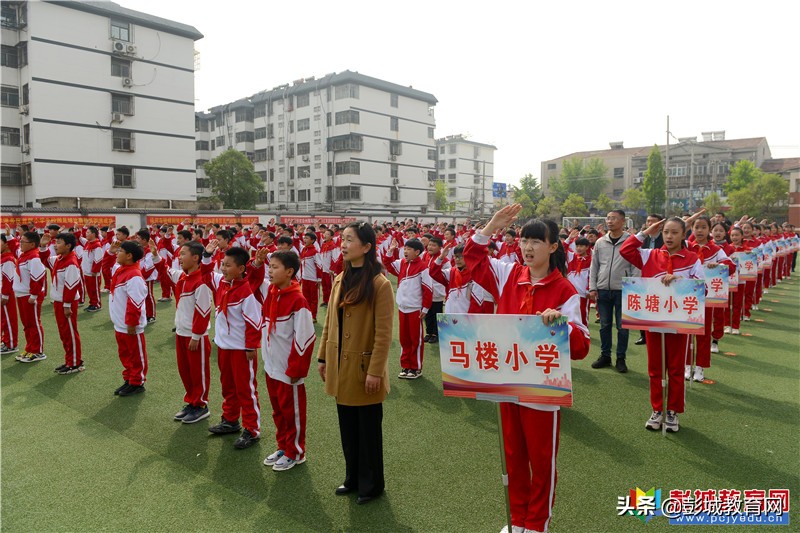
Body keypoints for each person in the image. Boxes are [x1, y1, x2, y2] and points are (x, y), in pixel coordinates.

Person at [463, 205, 590, 533]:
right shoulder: (507, 274)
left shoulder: (565, 291)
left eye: (537, 241)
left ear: (553, 246)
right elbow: (473, 257)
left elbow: (581, 346)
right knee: (513, 454)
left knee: (541, 459)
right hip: (507, 380)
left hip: (542, 389)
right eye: (524, 241)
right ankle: (517, 518)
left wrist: (560, 323)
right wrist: (492, 225)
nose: (529, 247)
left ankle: (537, 523)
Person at [317, 221, 394, 505]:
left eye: (350, 240)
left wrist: (376, 371)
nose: (344, 244)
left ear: (367, 247)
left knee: (368, 431)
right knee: (347, 427)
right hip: (341, 366)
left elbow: (384, 334)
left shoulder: (379, 283)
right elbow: (329, 323)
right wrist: (323, 356)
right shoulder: (340, 278)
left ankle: (371, 484)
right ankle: (352, 477)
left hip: (364, 369)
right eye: (343, 239)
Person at [620, 217, 702, 432]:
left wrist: (679, 282)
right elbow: (626, 250)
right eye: (666, 232)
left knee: (675, 369)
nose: (669, 236)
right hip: (653, 321)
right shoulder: (649, 255)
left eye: (675, 232)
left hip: (679, 322)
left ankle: (673, 411)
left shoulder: (692, 259)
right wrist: (645, 232)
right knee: (655, 369)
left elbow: (702, 290)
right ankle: (657, 409)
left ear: (684, 235)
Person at [203, 247, 264, 450]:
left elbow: (254, 323)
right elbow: (205, 274)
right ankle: (230, 420)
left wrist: (250, 348)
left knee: (246, 389)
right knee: (228, 386)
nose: (224, 268)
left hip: (241, 350)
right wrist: (206, 255)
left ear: (241, 268)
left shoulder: (246, 291)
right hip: (224, 346)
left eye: (228, 265)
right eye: (223, 264)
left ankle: (252, 429)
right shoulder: (222, 283)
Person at [261, 251, 316, 471]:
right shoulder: (272, 293)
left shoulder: (298, 300)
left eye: (275, 267)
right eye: (270, 266)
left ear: (290, 272)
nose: (270, 270)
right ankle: (283, 446)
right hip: (271, 366)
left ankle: (296, 452)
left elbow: (305, 338)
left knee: (292, 412)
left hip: (287, 368)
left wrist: (296, 368)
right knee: (277, 410)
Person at [151, 240, 214, 424]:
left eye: (183, 254)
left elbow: (203, 312)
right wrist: (155, 255)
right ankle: (192, 402)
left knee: (198, 372)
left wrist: (196, 335)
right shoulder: (183, 277)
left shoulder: (201, 281)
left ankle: (201, 405)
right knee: (185, 371)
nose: (179, 257)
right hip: (181, 332)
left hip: (196, 337)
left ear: (195, 258)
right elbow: (164, 270)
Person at [685, 215, 735, 382]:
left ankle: (700, 367)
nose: (699, 230)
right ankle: (686, 366)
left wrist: (719, 265)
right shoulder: (686, 246)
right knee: (685, 333)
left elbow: (731, 266)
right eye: (696, 227)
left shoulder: (715, 250)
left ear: (709, 230)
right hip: (686, 296)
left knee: (704, 334)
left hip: (707, 298)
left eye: (703, 227)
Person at [588, 210, 635, 372]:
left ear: (623, 221)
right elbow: (594, 266)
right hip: (602, 289)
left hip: (623, 290)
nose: (610, 221)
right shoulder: (600, 242)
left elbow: (635, 266)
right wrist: (593, 287)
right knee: (604, 325)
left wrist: (634, 287)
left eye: (614, 218)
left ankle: (620, 358)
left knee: (623, 327)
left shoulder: (630, 241)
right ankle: (605, 356)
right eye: (608, 218)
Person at [381, 237, 433, 379]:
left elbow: (428, 289)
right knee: (404, 339)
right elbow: (388, 265)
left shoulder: (423, 267)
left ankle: (416, 368)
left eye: (409, 249)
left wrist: (425, 308)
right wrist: (390, 252)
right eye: (405, 248)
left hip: (415, 308)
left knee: (416, 339)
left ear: (417, 252)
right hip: (402, 307)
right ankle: (406, 366)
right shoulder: (402, 263)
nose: (405, 251)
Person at [107, 241, 148, 396]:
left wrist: (131, 322)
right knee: (125, 354)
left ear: (129, 256)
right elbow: (106, 266)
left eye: (121, 251)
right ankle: (129, 378)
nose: (117, 253)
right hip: (120, 323)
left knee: (135, 355)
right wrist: (110, 253)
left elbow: (135, 302)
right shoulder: (122, 269)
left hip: (130, 325)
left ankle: (137, 382)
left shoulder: (134, 275)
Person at [41, 232, 84, 374]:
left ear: (68, 246)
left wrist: (66, 305)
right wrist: (43, 247)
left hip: (67, 303)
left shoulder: (71, 262)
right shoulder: (60, 258)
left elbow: (71, 286)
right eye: (56, 242)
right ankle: (69, 359)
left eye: (59, 242)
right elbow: (46, 261)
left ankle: (75, 363)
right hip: (59, 301)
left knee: (70, 332)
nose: (55, 245)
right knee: (64, 333)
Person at [13, 231, 47, 363]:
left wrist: (33, 295)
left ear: (32, 244)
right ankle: (29, 347)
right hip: (21, 294)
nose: (20, 244)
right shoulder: (24, 256)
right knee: (26, 324)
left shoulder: (34, 257)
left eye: (23, 242)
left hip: (29, 295)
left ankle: (37, 351)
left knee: (34, 323)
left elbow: (37, 278)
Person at [634, 214, 665, 346]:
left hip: (660, 277)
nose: (650, 224)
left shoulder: (665, 238)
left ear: (660, 224)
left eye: (653, 222)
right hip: (643, 277)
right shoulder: (643, 239)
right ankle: (643, 335)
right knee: (644, 306)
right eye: (647, 221)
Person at [1, 235, 19, 355]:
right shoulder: (3, 258)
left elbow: (8, 279)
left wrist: (5, 295)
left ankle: (11, 344)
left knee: (8, 319)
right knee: (4, 319)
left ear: (7, 244)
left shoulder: (8, 259)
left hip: (6, 294)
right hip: (3, 292)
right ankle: (6, 340)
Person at [80, 226, 104, 312]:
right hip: (87, 271)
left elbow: (98, 259)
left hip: (93, 272)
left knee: (95, 289)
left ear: (93, 234)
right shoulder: (88, 244)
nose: (86, 234)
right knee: (90, 289)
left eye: (88, 232)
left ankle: (97, 304)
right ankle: (92, 303)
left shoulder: (97, 245)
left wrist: (95, 270)